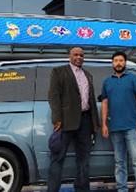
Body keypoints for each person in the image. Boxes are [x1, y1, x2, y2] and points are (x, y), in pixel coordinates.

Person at [47, 47, 99, 192]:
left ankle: (82, 189)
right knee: (58, 158)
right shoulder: (59, 71)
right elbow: (53, 96)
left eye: (81, 55)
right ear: (69, 56)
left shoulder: (87, 75)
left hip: (85, 121)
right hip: (65, 122)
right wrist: (57, 119)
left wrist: (95, 123)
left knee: (84, 160)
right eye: (75, 54)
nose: (79, 57)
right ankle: (52, 189)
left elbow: (91, 100)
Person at [101, 51, 136, 192]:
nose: (118, 63)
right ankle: (122, 189)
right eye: (116, 60)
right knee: (119, 162)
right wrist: (103, 124)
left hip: (132, 126)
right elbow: (104, 103)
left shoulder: (134, 79)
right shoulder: (107, 82)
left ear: (125, 62)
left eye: (121, 60)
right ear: (112, 63)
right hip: (114, 128)